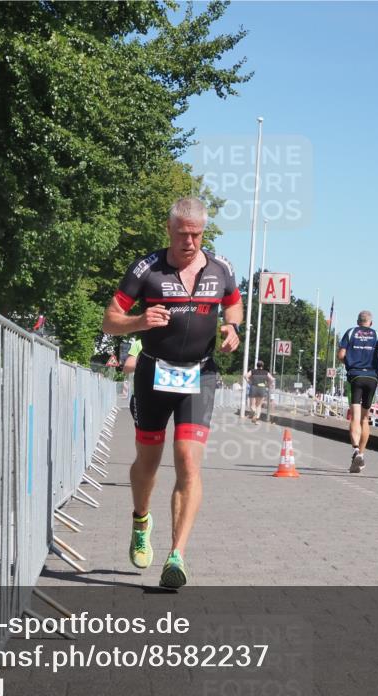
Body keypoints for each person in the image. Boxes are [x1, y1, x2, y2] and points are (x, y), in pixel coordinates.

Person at [101, 197, 243, 589]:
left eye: (197, 235)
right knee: (147, 462)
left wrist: (233, 329)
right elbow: (109, 321)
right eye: (183, 235)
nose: (190, 242)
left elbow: (234, 307)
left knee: (188, 461)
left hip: (199, 375)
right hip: (153, 373)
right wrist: (139, 320)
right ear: (169, 230)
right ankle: (141, 520)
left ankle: (176, 555)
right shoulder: (146, 269)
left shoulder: (222, 269)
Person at [337, 310, 378, 473]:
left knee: (355, 416)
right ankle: (361, 453)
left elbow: (341, 355)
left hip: (355, 377)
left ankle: (355, 450)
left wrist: (349, 362)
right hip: (372, 378)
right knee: (365, 419)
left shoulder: (350, 332)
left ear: (357, 321)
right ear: (370, 323)